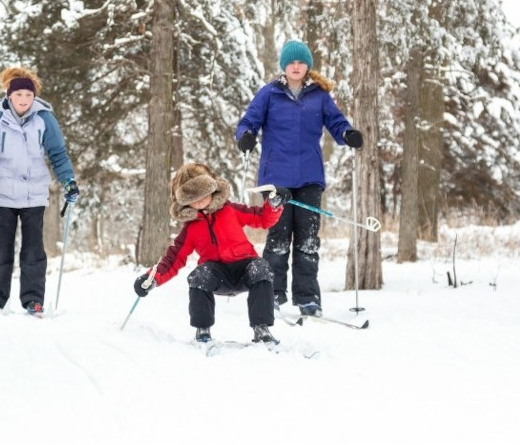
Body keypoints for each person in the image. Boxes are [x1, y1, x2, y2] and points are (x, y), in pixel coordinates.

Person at [235, 40, 363, 317]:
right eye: (291, 62)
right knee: (278, 238)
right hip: (275, 178)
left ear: (308, 66)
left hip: (309, 178)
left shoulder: (319, 96)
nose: (296, 66)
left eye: (301, 62)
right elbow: (249, 122)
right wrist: (245, 136)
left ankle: (307, 298)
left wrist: (348, 134)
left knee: (307, 240)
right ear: (284, 65)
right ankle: (274, 295)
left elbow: (337, 123)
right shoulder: (269, 94)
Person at [133, 163, 291, 343]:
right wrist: (151, 279)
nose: (199, 201)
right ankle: (203, 330)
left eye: (203, 194)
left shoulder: (231, 210)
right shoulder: (191, 228)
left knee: (261, 268)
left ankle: (261, 329)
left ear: (213, 190)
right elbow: (173, 259)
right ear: (184, 202)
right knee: (199, 275)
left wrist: (274, 205)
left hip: (245, 268)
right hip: (217, 274)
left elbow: (262, 218)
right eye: (193, 198)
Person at [0, 67, 80, 315]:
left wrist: (68, 181)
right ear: (9, 95)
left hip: (34, 193)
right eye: (19, 95)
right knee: (1, 247)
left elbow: (58, 154)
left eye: (28, 95)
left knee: (33, 249)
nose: (24, 100)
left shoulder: (44, 119)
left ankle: (33, 299)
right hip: (4, 194)